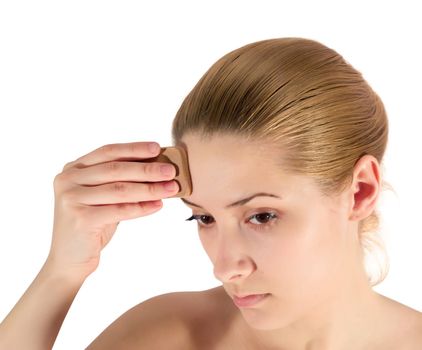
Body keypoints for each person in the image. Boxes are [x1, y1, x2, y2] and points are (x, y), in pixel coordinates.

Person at [0, 37, 421, 349]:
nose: (225, 268)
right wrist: (63, 270)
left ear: (360, 191)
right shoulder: (168, 335)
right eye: (204, 218)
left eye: (262, 216)